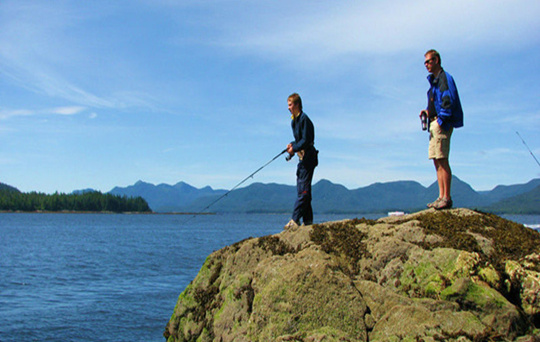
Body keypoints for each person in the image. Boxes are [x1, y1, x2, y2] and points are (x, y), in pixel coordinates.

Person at [420, 49, 463, 210]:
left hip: (441, 124)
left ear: (436, 60)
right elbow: (436, 103)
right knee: (436, 159)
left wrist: (441, 119)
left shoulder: (444, 78)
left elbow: (447, 100)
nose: (426, 65)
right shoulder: (434, 82)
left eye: (429, 61)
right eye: (425, 62)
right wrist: (427, 112)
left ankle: (446, 197)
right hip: (434, 123)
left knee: (442, 159)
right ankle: (441, 196)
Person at [284, 93, 318, 229]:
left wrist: (295, 147)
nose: (288, 108)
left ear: (297, 105)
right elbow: (299, 141)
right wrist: (292, 146)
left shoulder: (304, 119)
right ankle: (308, 220)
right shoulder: (294, 121)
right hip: (302, 158)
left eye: (290, 105)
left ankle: (295, 220)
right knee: (303, 190)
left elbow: (306, 140)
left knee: (303, 190)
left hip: (309, 158)